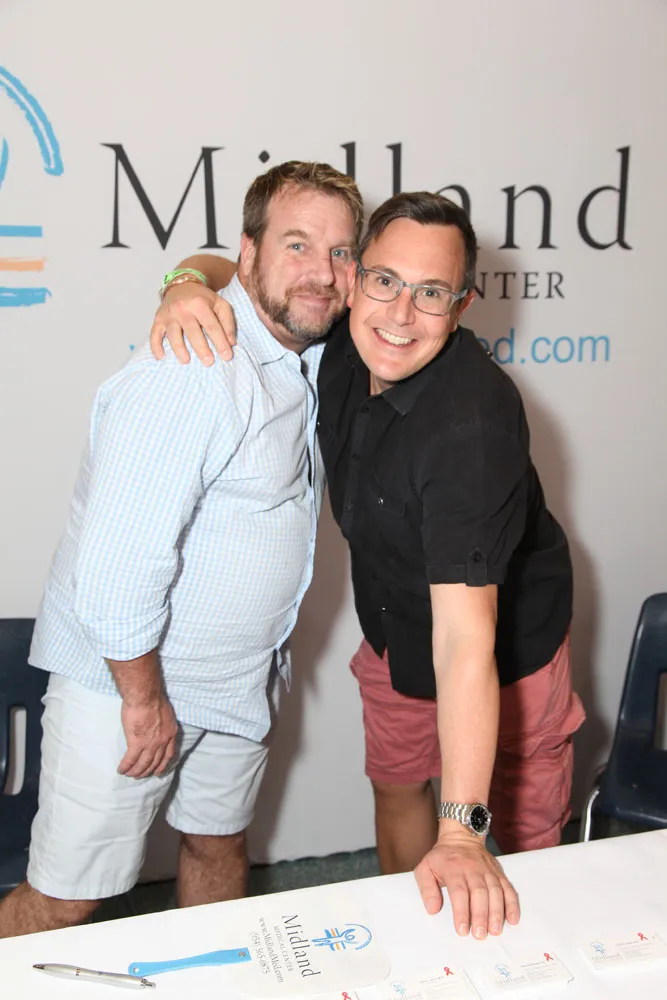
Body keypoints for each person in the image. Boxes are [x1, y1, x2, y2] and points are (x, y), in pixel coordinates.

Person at [152, 191, 585, 941]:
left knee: (523, 849)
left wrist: (462, 833)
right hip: (393, 630)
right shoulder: (347, 335)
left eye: (431, 293)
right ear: (352, 278)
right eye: (385, 280)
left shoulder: (471, 428)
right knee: (397, 789)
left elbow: (465, 640)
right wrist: (183, 285)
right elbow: (230, 269)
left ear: (462, 306)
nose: (400, 314)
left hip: (506, 656)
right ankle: (417, 947)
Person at [0, 160, 363, 939]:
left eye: (340, 252)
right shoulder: (192, 368)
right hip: (128, 687)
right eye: (297, 245)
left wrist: (185, 277)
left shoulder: (302, 352)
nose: (322, 272)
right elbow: (114, 571)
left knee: (217, 844)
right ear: (250, 251)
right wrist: (143, 701)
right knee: (65, 899)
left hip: (235, 682)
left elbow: (208, 264)